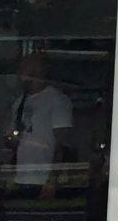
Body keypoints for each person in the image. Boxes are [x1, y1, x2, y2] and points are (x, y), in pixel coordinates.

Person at [8, 53, 74, 200]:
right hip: (22, 178)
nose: (20, 73)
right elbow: (14, 141)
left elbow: (62, 143)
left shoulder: (57, 100)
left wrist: (52, 180)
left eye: (24, 68)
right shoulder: (19, 102)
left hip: (44, 180)